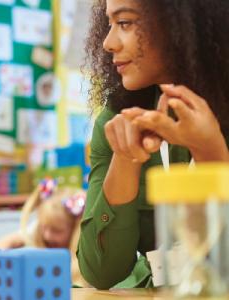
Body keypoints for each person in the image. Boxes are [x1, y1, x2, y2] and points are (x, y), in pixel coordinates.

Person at [78, 0, 229, 289]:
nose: (108, 43)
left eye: (125, 23)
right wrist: (125, 159)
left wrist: (211, 153)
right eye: (109, 24)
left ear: (180, 22)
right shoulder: (116, 121)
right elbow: (100, 273)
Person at [0, 179, 88, 286]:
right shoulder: (39, 227)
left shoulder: (86, 251)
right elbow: (3, 243)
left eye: (56, 230)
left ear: (74, 229)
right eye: (44, 227)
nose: (47, 235)